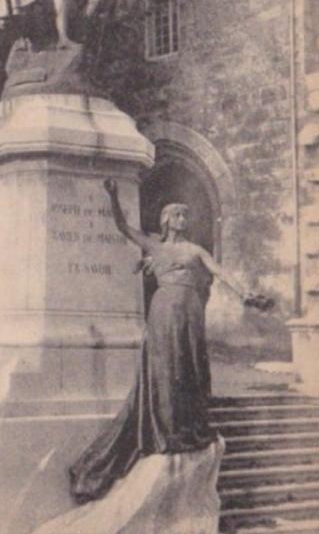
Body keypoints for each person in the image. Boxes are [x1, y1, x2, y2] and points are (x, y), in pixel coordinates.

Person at [69, 178, 255, 505]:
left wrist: (244, 293)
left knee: (190, 366)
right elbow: (124, 227)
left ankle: (187, 425)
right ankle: (167, 427)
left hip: (190, 311)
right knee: (166, 368)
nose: (184, 220)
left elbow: (221, 272)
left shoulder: (195, 250)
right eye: (178, 215)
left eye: (186, 216)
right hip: (164, 311)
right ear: (166, 220)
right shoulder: (155, 247)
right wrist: (112, 195)